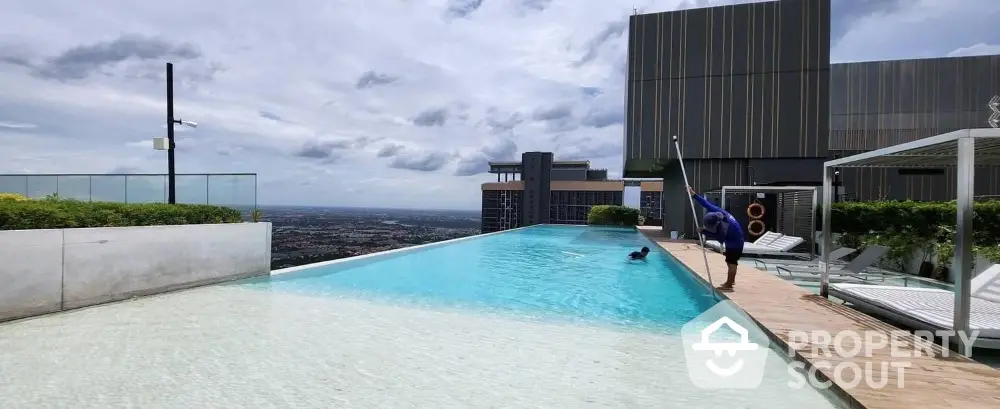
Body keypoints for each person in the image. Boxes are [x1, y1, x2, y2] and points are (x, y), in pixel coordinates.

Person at [688, 186, 744, 292]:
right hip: (733, 240)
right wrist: (693, 194)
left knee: (731, 262)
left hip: (735, 243)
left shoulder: (724, 228)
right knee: (729, 261)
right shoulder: (718, 213)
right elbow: (706, 204)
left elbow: (719, 238)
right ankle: (731, 281)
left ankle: (729, 285)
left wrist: (703, 231)